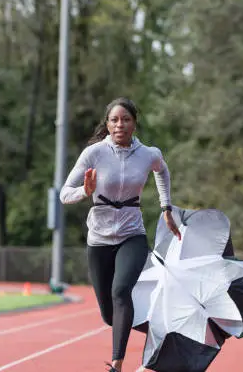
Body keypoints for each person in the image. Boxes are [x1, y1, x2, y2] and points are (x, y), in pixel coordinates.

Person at [60, 97, 181, 372]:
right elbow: (65, 194)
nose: (119, 124)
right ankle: (157, 330)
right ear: (107, 123)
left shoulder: (148, 154)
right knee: (109, 314)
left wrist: (166, 207)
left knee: (121, 290)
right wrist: (85, 192)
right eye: (114, 119)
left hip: (132, 234)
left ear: (134, 124)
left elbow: (162, 172)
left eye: (125, 119)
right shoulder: (94, 153)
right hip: (99, 239)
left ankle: (117, 364)